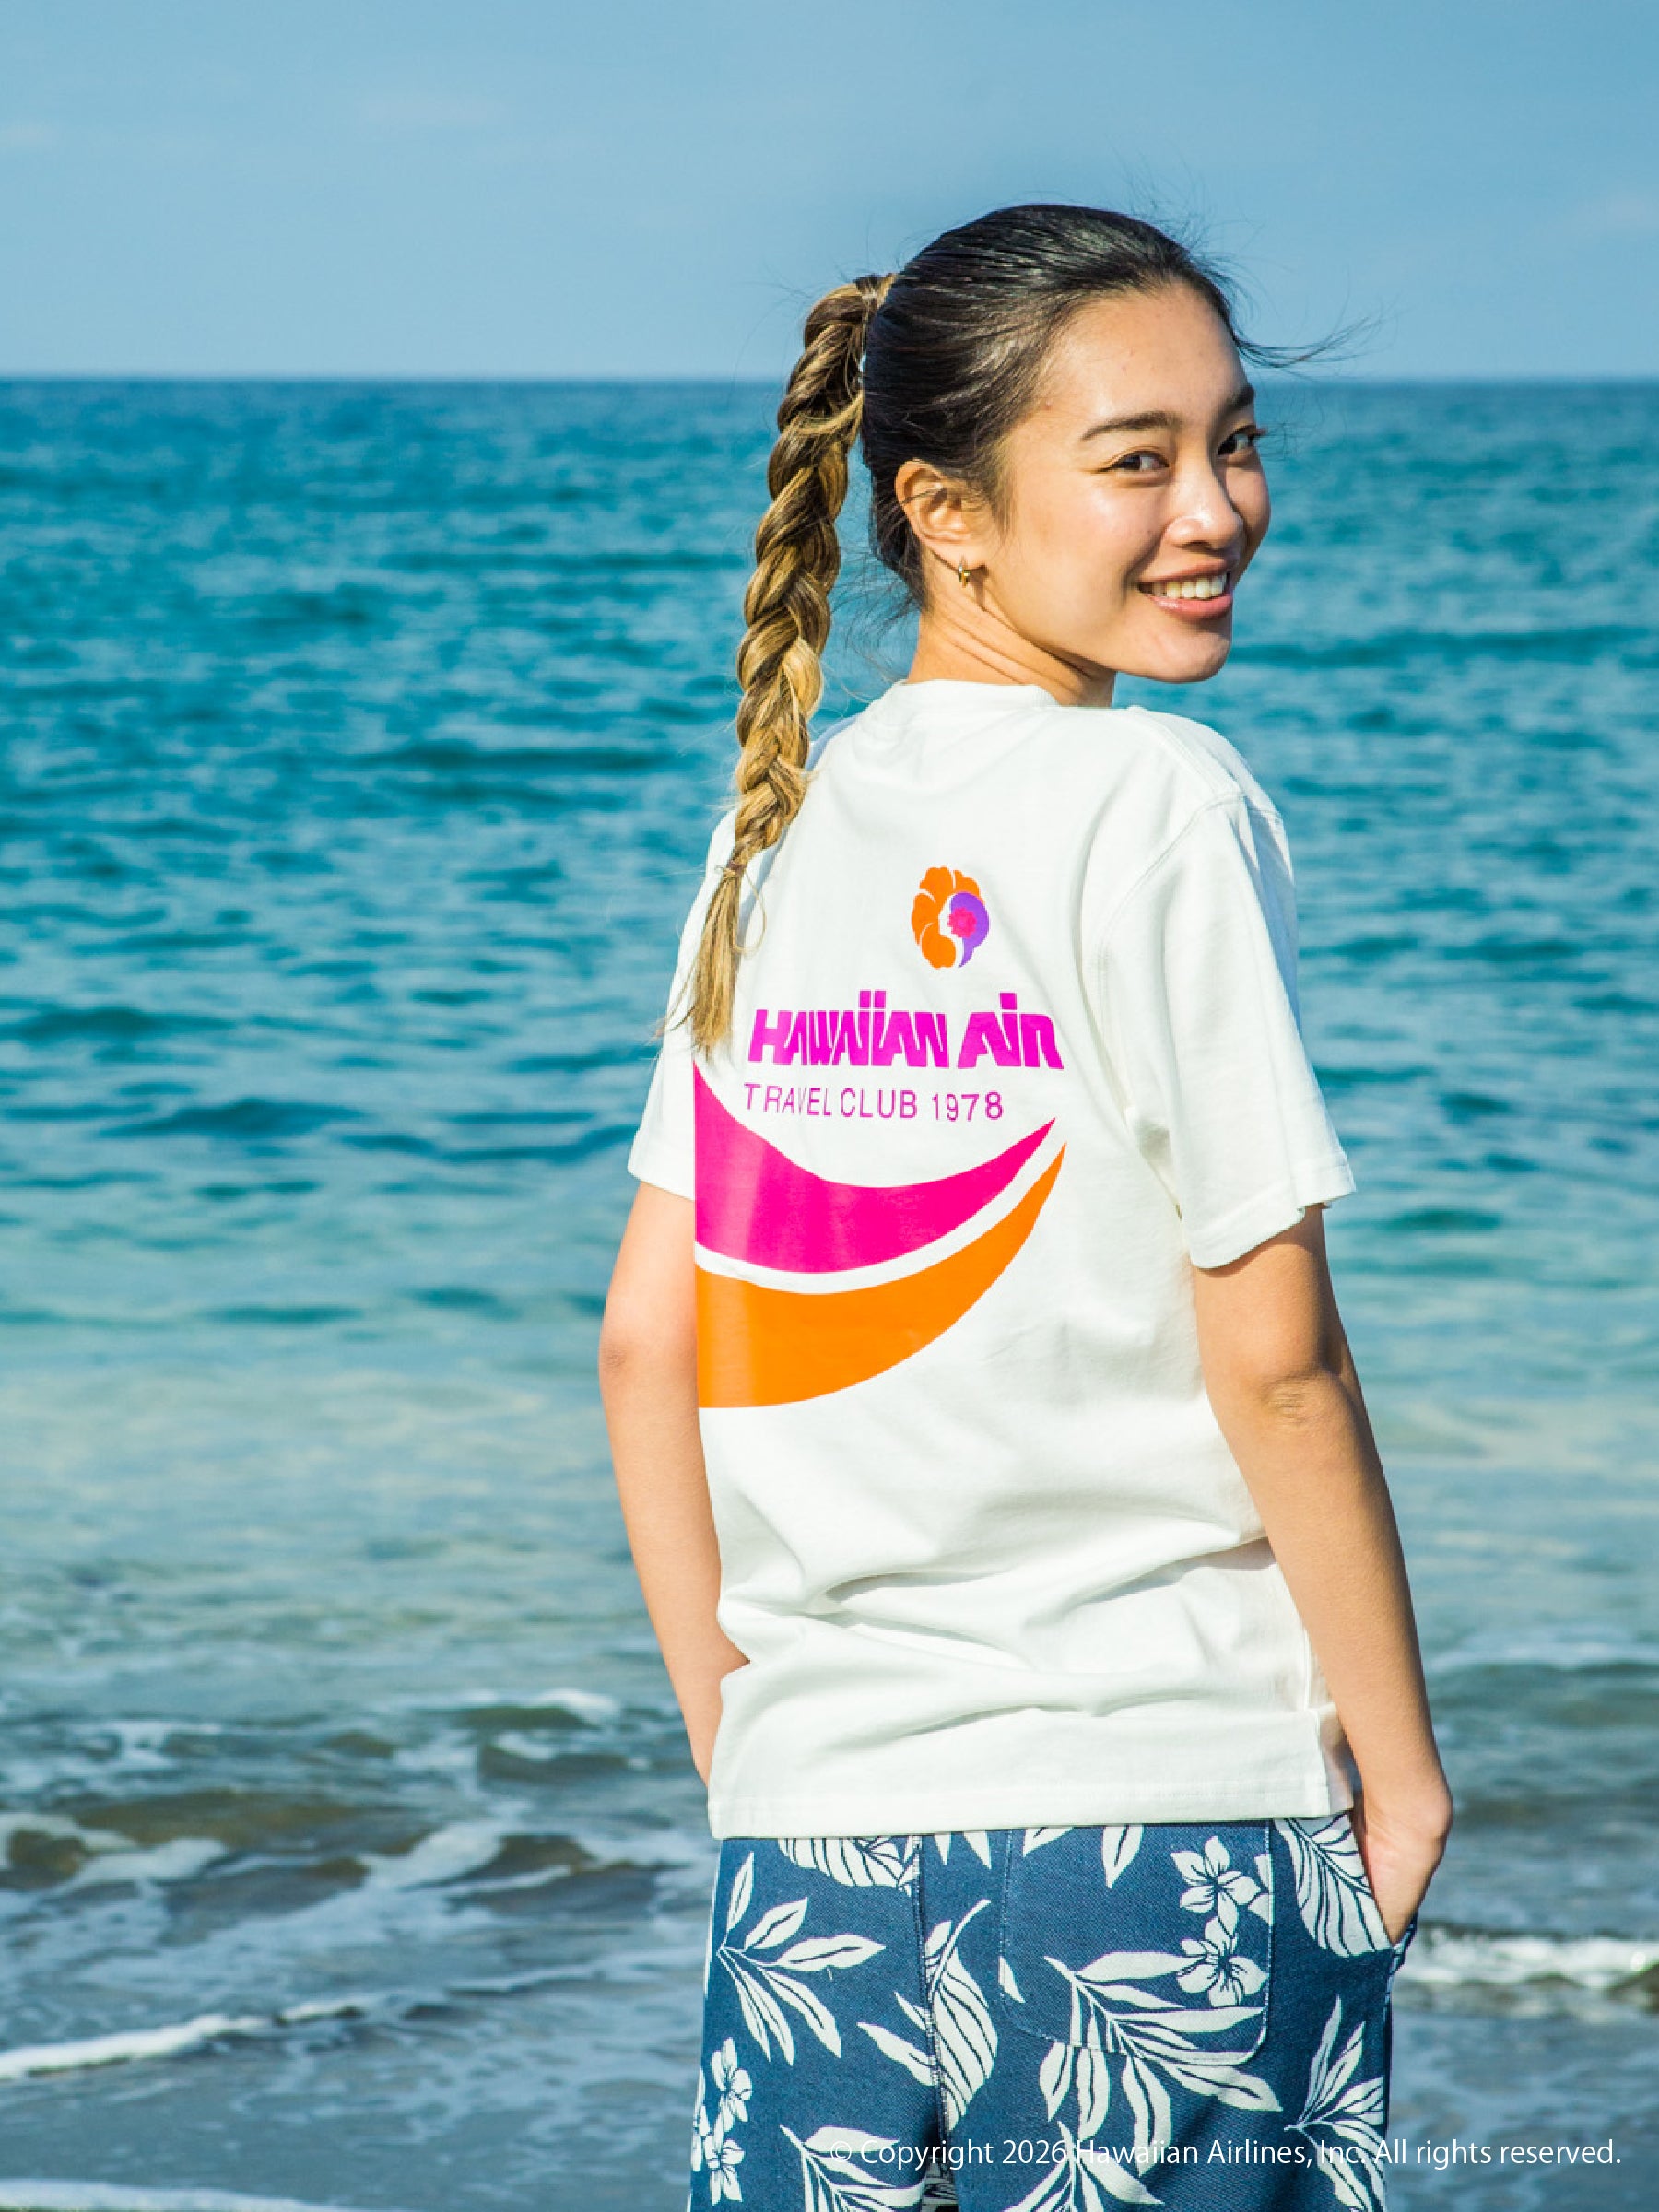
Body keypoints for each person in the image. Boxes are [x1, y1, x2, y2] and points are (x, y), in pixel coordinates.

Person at [599, 204, 1453, 2211]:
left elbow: (648, 1340)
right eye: (1138, 459)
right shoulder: (1157, 803)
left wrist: (754, 1744)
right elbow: (1276, 1353)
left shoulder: (775, 824)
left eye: (1236, 443)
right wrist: (1404, 1768)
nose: (1216, 510)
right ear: (946, 514)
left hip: (811, 1849)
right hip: (1165, 1814)